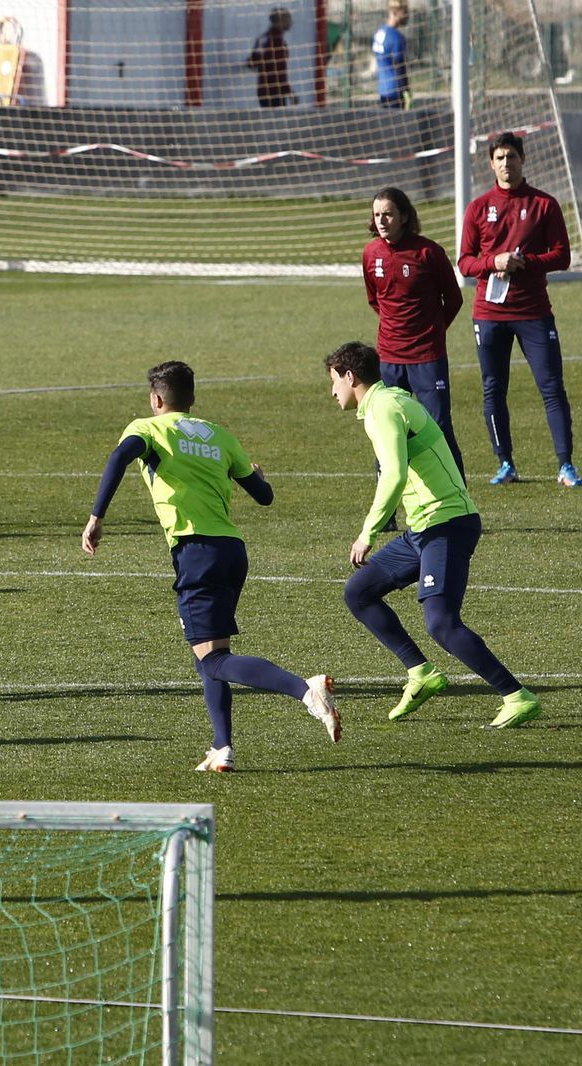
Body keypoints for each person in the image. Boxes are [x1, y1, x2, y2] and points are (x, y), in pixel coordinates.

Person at [81, 361, 339, 772]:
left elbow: (119, 458)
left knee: (213, 661)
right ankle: (222, 747)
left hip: (195, 552)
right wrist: (259, 477)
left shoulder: (148, 428)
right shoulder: (220, 436)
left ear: (156, 399)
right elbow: (264, 496)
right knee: (210, 652)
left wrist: (97, 517)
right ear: (193, 399)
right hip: (232, 551)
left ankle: (305, 690)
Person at [325, 342, 542, 729]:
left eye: (334, 381)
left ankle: (515, 696)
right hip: (423, 529)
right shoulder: (386, 403)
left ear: (350, 376)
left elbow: (393, 474)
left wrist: (367, 532)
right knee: (359, 591)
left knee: (441, 623)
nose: (332, 391)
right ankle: (421, 672)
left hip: (446, 525)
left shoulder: (383, 408)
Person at [457, 131, 579, 488]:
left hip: (534, 312)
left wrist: (525, 262)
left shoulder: (544, 204)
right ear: (491, 163)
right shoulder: (478, 208)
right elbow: (465, 262)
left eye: (511, 156)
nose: (506, 163)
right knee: (493, 388)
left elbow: (562, 256)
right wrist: (494, 261)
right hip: (489, 314)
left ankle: (566, 465)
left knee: (552, 386)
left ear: (523, 159)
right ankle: (505, 464)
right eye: (500, 158)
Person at [363, 185, 465, 475]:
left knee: (438, 427)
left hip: (427, 358)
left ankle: (459, 496)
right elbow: (375, 300)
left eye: (388, 214)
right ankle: (388, 499)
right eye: (377, 215)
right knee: (388, 429)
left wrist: (432, 331)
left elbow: (453, 299)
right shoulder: (370, 254)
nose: (382, 220)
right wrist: (397, 329)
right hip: (389, 358)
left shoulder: (428, 252)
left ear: (404, 216)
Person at [247, 8, 295, 107]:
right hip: (275, 92)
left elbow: (251, 62)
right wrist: (289, 92)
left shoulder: (263, 38)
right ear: (281, 20)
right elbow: (279, 71)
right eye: (288, 19)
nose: (291, 22)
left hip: (263, 91)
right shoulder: (277, 42)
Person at [373, 0, 410, 108]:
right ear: (395, 12)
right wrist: (406, 90)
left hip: (383, 90)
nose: (407, 16)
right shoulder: (396, 37)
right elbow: (399, 67)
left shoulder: (379, 33)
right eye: (404, 12)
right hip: (395, 91)